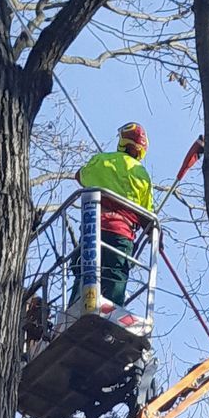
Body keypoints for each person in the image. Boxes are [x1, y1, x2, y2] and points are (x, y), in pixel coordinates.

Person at [77, 122, 154, 306]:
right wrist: (156, 235)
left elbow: (80, 176)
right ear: (142, 150)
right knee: (115, 278)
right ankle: (110, 314)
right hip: (120, 235)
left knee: (84, 273)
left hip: (92, 230)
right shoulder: (141, 174)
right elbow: (147, 217)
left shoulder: (102, 160)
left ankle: (78, 304)